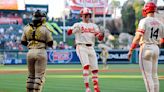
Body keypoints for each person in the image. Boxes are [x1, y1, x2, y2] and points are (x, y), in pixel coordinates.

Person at [128, 2, 164, 92]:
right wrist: (157, 44)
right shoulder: (160, 23)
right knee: (154, 75)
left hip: (146, 47)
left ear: (146, 10)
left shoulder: (144, 21)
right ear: (154, 10)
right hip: (156, 48)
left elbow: (137, 37)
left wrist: (131, 50)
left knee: (147, 76)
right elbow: (163, 39)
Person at [67, 7, 104, 92]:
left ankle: (96, 88)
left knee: (95, 68)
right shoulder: (78, 24)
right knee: (86, 66)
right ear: (82, 15)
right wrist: (72, 29)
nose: (87, 16)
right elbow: (68, 33)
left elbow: (99, 38)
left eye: (88, 15)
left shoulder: (94, 26)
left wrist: (101, 36)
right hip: (81, 46)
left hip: (91, 47)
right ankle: (87, 88)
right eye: (85, 15)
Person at [21, 10, 53, 92]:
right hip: (41, 51)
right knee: (39, 76)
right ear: (42, 18)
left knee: (31, 76)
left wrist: (32, 43)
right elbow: (50, 43)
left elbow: (23, 42)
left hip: (30, 52)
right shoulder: (45, 28)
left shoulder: (26, 27)